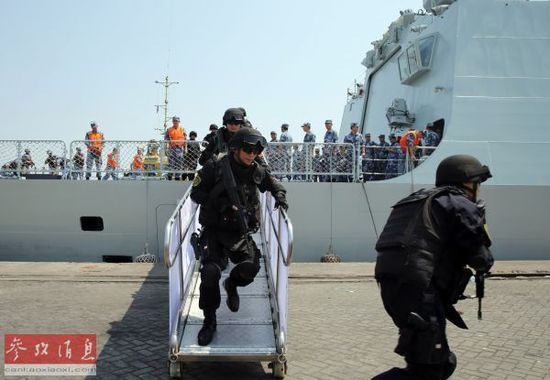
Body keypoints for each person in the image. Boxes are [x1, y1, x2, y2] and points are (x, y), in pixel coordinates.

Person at [373, 155, 494, 380]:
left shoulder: (418, 199)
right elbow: (481, 259)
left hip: (394, 289)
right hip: (420, 291)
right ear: (468, 182)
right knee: (429, 369)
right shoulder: (459, 203)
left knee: (438, 360)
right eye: (478, 183)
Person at [190, 128, 288, 346]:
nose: (251, 154)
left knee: (250, 268)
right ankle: (209, 321)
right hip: (215, 230)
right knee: (209, 273)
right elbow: (196, 193)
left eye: (256, 150)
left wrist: (280, 195)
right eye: (247, 149)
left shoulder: (256, 169)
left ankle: (232, 285)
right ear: (236, 148)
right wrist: (222, 205)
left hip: (240, 232)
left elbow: (271, 183)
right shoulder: (215, 166)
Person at [164, 116, 186, 180]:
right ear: (172, 122)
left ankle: (177, 176)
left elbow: (185, 139)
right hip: (171, 148)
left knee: (179, 163)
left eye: (177, 121)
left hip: (180, 149)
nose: (175, 122)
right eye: (174, 121)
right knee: (171, 163)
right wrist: (166, 149)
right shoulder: (169, 130)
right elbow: (165, 140)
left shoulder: (183, 129)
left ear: (179, 122)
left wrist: (185, 148)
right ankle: (170, 176)